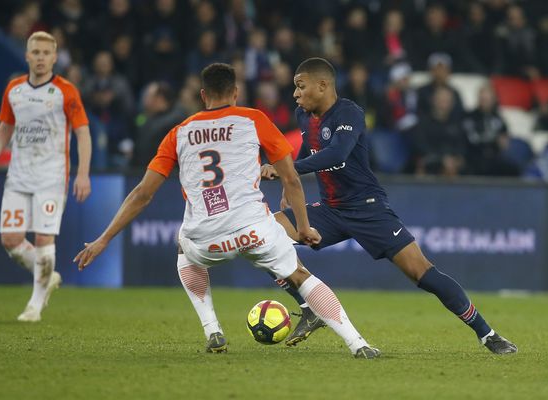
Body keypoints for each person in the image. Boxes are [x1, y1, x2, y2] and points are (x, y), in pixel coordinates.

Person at [73, 63, 380, 359]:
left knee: (183, 247)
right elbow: (291, 179)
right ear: (235, 92)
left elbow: (142, 194)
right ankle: (358, 343)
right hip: (254, 230)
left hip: (205, 239)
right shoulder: (253, 119)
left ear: (203, 95)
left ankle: (212, 330)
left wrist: (103, 239)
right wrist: (302, 227)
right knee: (301, 276)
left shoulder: (178, 133)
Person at [260, 57, 517, 354]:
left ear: (322, 85)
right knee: (264, 235)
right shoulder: (303, 116)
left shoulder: (350, 112)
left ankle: (488, 334)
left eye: (300, 86)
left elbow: (337, 154)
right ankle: (310, 308)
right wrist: (288, 187)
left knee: (423, 273)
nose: (295, 93)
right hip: (330, 209)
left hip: (368, 208)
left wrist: (287, 170)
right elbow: (308, 149)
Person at [0, 31, 92, 322]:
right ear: (27, 56)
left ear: (55, 57)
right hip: (18, 176)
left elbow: (83, 133)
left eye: (46, 53)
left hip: (52, 176)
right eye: (36, 52)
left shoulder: (65, 91)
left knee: (44, 237)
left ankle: (35, 304)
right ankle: (48, 274)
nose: (41, 58)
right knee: (10, 240)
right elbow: (5, 129)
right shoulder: (14, 90)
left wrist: (83, 173)